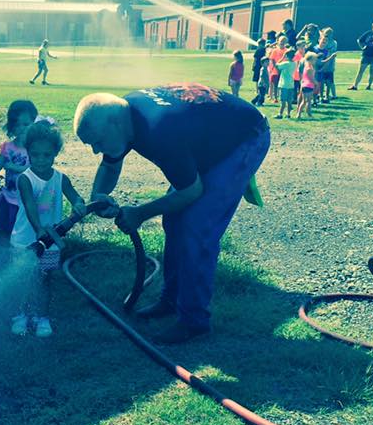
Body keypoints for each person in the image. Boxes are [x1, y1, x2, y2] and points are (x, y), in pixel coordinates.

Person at [74, 84, 270, 344]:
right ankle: (172, 299)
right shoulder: (123, 114)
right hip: (210, 133)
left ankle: (194, 321)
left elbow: (191, 191)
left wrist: (140, 213)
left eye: (97, 142)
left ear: (114, 124)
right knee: (174, 220)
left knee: (196, 227)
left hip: (245, 137)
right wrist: (97, 197)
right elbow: (109, 166)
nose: (95, 150)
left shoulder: (159, 131)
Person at [9, 120, 87, 338]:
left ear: (55, 153)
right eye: (35, 155)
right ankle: (21, 315)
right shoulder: (26, 179)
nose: (41, 160)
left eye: (47, 155)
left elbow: (74, 196)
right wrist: (38, 230)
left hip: (51, 244)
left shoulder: (60, 178)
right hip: (26, 241)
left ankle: (41, 316)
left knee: (44, 278)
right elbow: (30, 206)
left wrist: (79, 204)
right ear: (28, 153)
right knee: (23, 279)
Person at [0, 99, 37, 233]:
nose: (22, 128)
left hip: (27, 198)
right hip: (10, 195)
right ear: (11, 127)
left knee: (23, 229)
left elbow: (33, 169)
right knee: (7, 228)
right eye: (17, 125)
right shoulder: (8, 147)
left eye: (26, 124)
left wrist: (13, 167)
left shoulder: (34, 148)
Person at [275, 48, 297, 119]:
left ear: (287, 56)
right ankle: (288, 114)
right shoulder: (294, 63)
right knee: (289, 101)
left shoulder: (285, 63)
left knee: (283, 101)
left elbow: (276, 65)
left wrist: (282, 57)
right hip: (291, 84)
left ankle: (280, 114)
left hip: (284, 84)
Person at [318, 28, 338, 103]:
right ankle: (321, 95)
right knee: (321, 81)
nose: (327, 36)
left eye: (329, 34)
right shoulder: (321, 41)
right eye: (326, 34)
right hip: (322, 64)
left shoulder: (334, 43)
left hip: (329, 65)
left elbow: (331, 53)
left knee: (329, 81)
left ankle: (327, 95)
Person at [296, 52, 318, 120]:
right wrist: (316, 83)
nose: (315, 61)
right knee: (306, 101)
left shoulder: (308, 66)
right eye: (314, 59)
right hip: (308, 85)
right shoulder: (309, 68)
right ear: (310, 59)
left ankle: (306, 113)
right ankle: (302, 114)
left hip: (306, 85)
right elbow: (311, 78)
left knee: (306, 100)